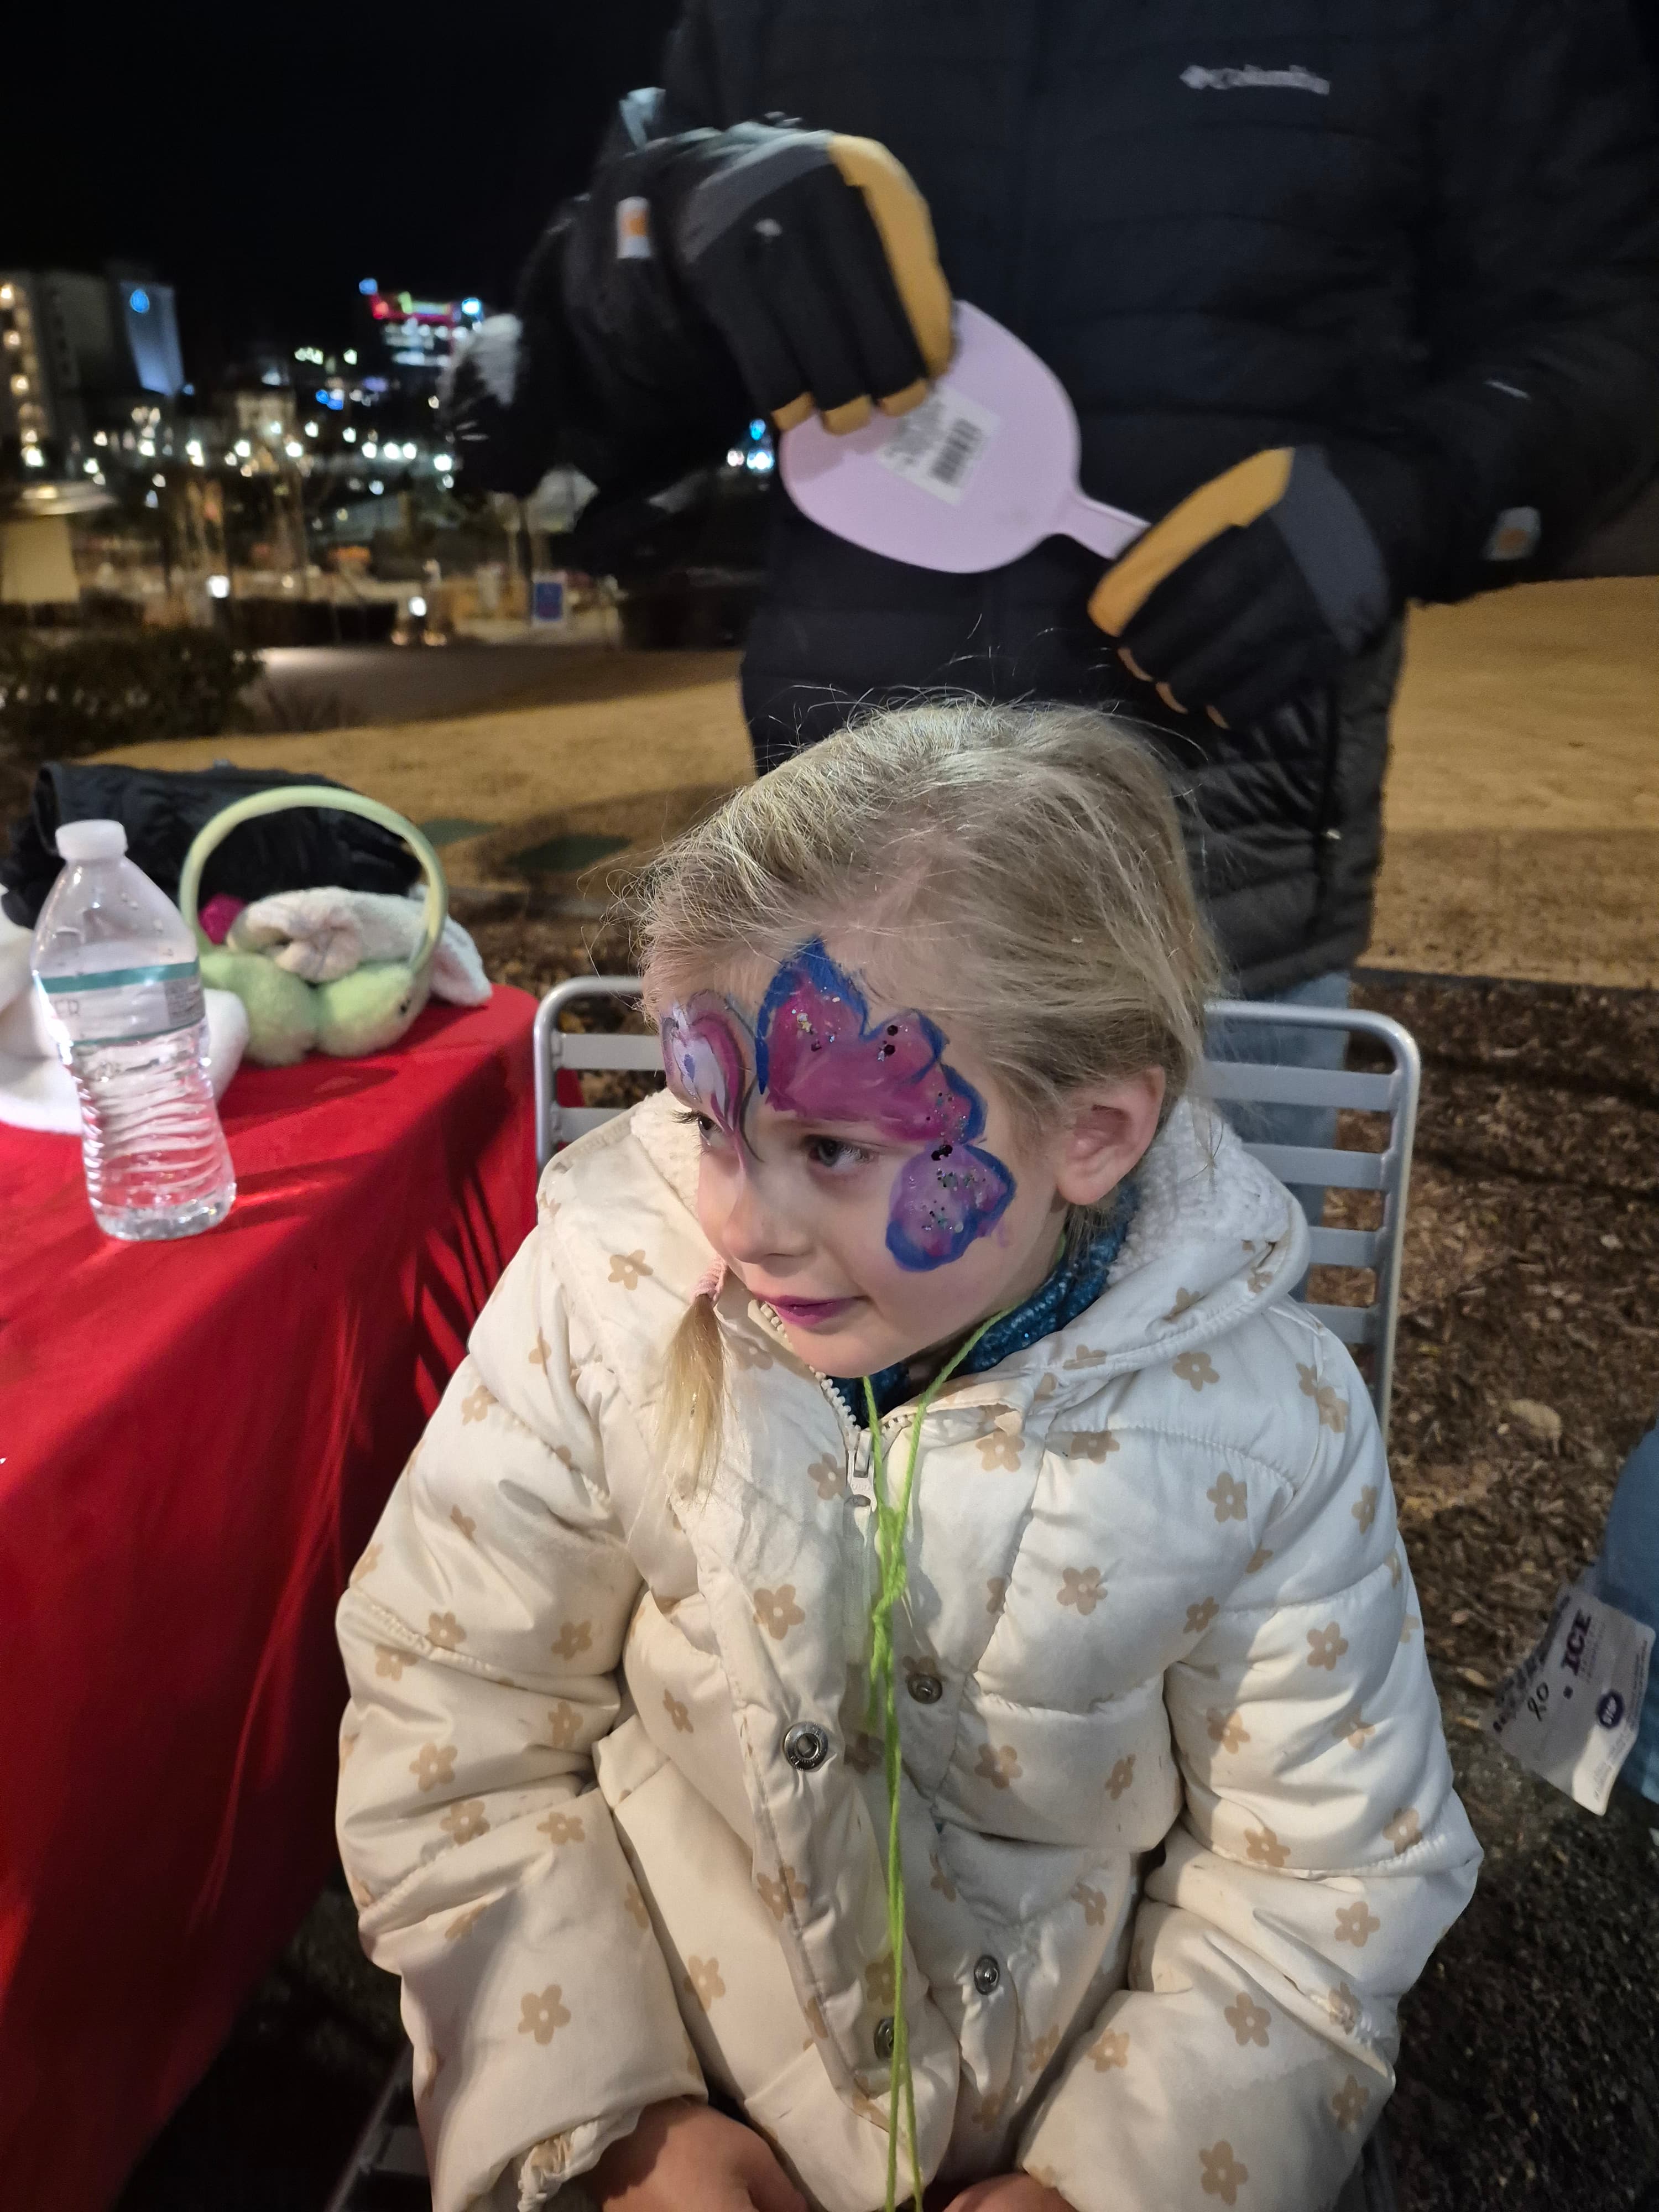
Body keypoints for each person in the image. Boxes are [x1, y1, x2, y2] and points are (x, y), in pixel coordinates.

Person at [336, 700, 1480, 2212]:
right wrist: (611, 2124)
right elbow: (455, 1708)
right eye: (705, 1119)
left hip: (1057, 2115)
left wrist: (1113, 2184)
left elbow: (1316, 1886)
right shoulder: (603, 1304)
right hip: (664, 2073)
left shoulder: (1268, 1439)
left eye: (833, 1149)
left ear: (1095, 1133)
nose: (741, 1224)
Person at [445, 0, 1659, 1017]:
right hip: (835, 905)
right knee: (805, 1303)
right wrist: (670, 231)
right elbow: (602, 396)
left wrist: (1392, 507)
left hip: (1206, 930)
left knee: (1205, 1305)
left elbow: (1614, 326)